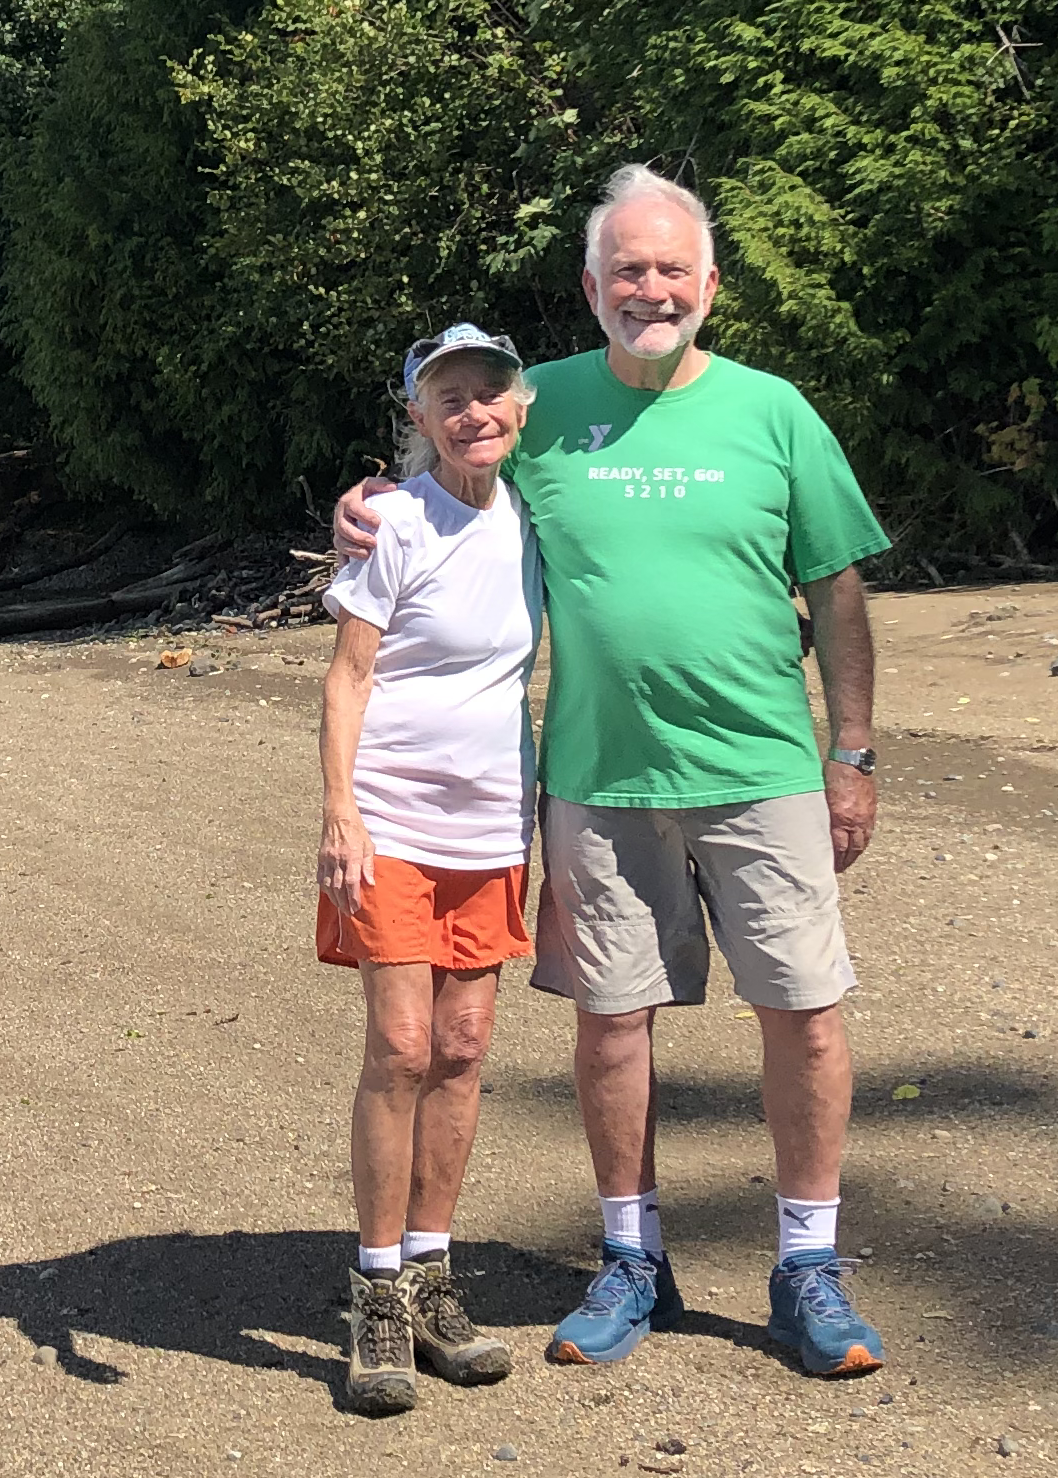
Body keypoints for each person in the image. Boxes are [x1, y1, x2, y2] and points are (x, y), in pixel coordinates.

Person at [337, 162, 892, 1380]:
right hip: (594, 777)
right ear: (591, 288)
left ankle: (809, 1268)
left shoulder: (775, 411)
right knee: (609, 1028)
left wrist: (849, 754)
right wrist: (364, 502)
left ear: (710, 285)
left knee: (803, 1013)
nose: (652, 288)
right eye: (627, 270)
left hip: (764, 769)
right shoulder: (543, 411)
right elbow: (449, 480)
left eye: (671, 268)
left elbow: (838, 589)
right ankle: (631, 1258)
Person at [314, 322, 541, 1417]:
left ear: (521, 405)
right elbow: (347, 677)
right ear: (417, 416)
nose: (474, 411)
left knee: (462, 1048)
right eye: (449, 396)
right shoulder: (396, 521)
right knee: (399, 1048)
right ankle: (374, 1292)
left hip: (494, 828)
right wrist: (340, 812)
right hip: (392, 825)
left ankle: (435, 1277)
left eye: (490, 391)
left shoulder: (539, 518)